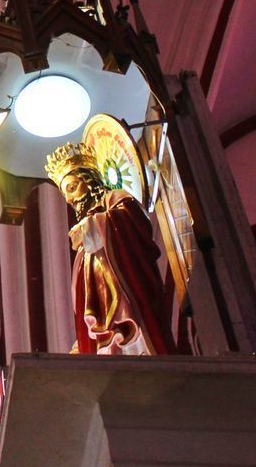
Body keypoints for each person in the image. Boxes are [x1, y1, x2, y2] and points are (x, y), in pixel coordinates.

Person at [45, 141, 176, 355]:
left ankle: (130, 335)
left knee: (130, 321)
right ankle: (97, 341)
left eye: (72, 187)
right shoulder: (88, 222)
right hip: (99, 294)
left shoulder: (116, 199)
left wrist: (94, 227)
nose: (69, 199)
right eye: (65, 195)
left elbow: (136, 227)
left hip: (126, 289)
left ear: (89, 179)